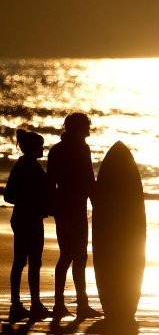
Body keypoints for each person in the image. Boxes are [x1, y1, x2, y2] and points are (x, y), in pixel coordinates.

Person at [47, 113, 101, 319]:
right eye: (86, 125)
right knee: (77, 256)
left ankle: (62, 304)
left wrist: (51, 206)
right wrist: (98, 205)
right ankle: (80, 305)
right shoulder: (81, 148)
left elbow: (50, 183)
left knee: (68, 255)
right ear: (79, 128)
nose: (89, 128)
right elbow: (89, 180)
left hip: (63, 208)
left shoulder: (56, 150)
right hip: (75, 209)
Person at [4, 129, 52, 322]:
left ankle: (25, 304)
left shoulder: (26, 165)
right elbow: (9, 196)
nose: (43, 149)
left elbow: (10, 195)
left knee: (27, 262)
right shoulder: (28, 166)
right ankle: (25, 305)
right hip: (27, 220)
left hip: (25, 219)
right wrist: (32, 203)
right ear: (33, 148)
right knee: (27, 263)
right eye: (40, 146)